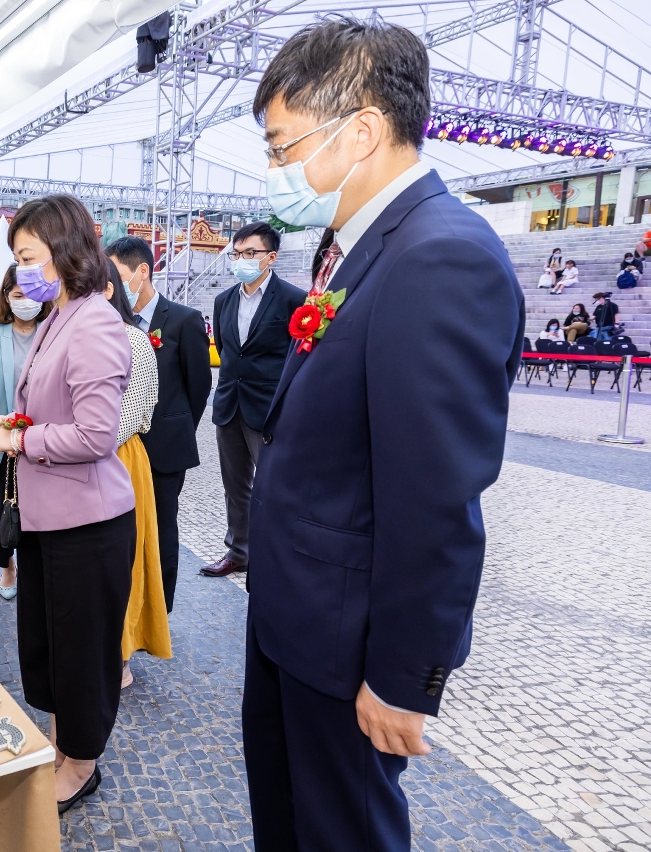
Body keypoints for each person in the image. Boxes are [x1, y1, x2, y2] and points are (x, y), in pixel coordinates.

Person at [243, 19, 523, 850]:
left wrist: (402, 678)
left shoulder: (439, 257)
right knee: (288, 818)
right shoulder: (358, 245)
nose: (274, 168)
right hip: (299, 613)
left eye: (282, 146)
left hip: (345, 642)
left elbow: (434, 498)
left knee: (342, 831)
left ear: (360, 130)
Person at [0, 194, 135, 813]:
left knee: (83, 652)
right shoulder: (57, 317)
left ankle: (83, 764)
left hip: (87, 524)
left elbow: (96, 435)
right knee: (51, 645)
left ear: (65, 251)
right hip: (50, 519)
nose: (22, 271)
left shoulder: (94, 320)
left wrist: (20, 440)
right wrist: (16, 424)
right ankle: (61, 746)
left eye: (28, 257)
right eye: (19, 259)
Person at [106, 236, 211, 610]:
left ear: (142, 271)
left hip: (165, 450)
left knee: (163, 528)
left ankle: (160, 609)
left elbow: (199, 387)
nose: (113, 285)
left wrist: (175, 428)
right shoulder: (112, 322)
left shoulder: (183, 320)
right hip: (119, 447)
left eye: (118, 276)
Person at [201, 221, 305, 578]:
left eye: (250, 253)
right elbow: (229, 351)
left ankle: (279, 554)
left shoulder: (293, 299)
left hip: (270, 408)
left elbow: (297, 355)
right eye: (236, 253)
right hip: (230, 404)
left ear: (270, 257)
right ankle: (239, 551)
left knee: (276, 486)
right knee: (235, 486)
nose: (241, 260)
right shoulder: (223, 300)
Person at [101, 255, 170, 687]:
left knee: (125, 560)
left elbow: (131, 414)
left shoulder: (134, 340)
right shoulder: (67, 334)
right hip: (79, 458)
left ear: (108, 290)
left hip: (119, 459)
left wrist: (76, 441)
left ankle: (122, 653)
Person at [0, 266, 51, 600]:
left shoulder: (52, 328)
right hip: (0, 434)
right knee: (0, 505)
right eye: (18, 295)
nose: (26, 301)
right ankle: (7, 566)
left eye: (32, 294)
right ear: (6, 296)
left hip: (39, 434)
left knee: (36, 505)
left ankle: (35, 565)